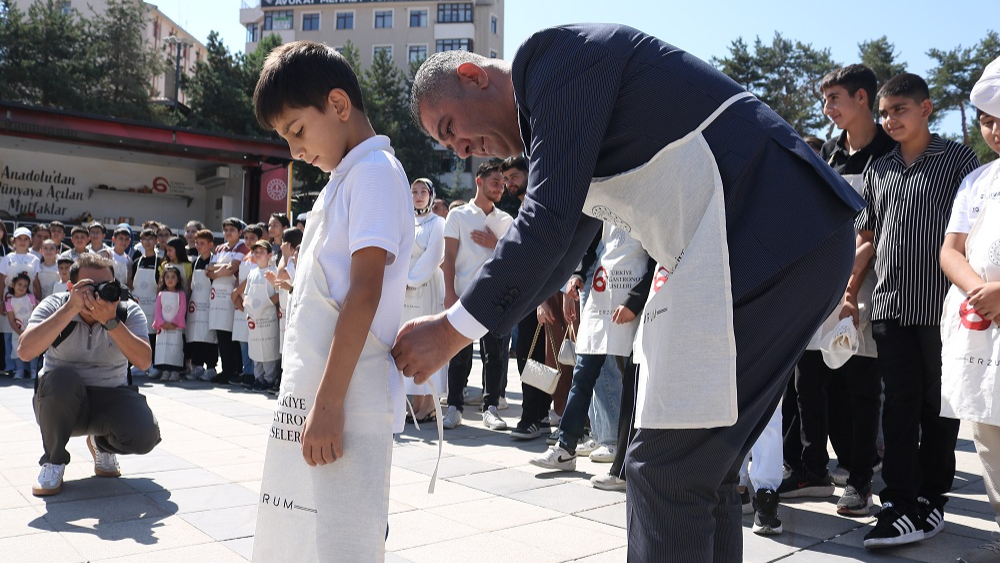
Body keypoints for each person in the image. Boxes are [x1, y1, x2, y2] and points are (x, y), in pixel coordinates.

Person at [394, 24, 864, 562]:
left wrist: (450, 329)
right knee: (698, 475)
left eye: (451, 127)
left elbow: (547, 224)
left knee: (666, 471)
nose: (461, 150)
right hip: (775, 241)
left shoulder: (553, 62)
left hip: (768, 234)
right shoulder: (559, 117)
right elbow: (565, 241)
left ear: (473, 76)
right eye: (448, 145)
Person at [251, 40, 414, 563]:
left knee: (347, 540)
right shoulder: (345, 177)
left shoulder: (373, 173)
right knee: (312, 537)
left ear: (339, 105)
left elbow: (364, 293)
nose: (295, 151)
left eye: (297, 130)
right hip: (329, 392)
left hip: (348, 399)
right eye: (285, 139)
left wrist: (327, 405)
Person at [851, 73, 980, 549]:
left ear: (926, 109)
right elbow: (867, 238)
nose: (889, 120)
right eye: (884, 113)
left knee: (938, 406)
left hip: (941, 306)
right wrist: (848, 291)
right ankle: (898, 501)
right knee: (899, 405)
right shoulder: (879, 169)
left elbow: (972, 234)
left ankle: (931, 499)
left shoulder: (957, 161)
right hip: (889, 305)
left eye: (899, 110)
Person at [780, 64, 895, 517]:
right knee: (808, 378)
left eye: (835, 100)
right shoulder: (827, 153)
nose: (827, 110)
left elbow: (873, 231)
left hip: (868, 284)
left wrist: (849, 291)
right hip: (822, 283)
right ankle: (811, 470)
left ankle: (860, 480)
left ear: (862, 98)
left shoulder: (889, 155)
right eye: (824, 101)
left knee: (860, 385)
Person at [22, 253, 159, 497]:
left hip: (110, 398)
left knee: (145, 435)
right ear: (70, 287)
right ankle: (53, 461)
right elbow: (25, 351)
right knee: (62, 379)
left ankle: (101, 444)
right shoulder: (54, 305)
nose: (97, 293)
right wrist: (70, 309)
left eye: (105, 286)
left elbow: (144, 361)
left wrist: (111, 322)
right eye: (88, 287)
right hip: (61, 402)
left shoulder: (127, 311)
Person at [939, 57, 1000, 563]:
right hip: (984, 332)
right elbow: (950, 249)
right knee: (988, 441)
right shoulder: (977, 180)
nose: (994, 130)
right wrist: (983, 290)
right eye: (986, 119)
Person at [531, 223, 650, 471]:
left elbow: (659, 258)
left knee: (630, 380)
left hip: (630, 299)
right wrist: (577, 275)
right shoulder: (604, 203)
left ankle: (624, 459)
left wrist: (636, 300)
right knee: (582, 374)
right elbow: (589, 244)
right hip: (600, 293)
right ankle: (565, 448)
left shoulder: (648, 199)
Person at [439, 161, 513, 431]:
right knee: (459, 354)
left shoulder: (506, 220)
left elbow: (515, 258)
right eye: (495, 182)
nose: (501, 188)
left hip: (497, 295)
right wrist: (449, 292)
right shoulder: (458, 215)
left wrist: (496, 244)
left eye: (503, 184)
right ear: (479, 181)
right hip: (464, 294)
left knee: (495, 356)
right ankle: (455, 407)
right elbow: (448, 257)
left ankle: (491, 407)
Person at [402, 178, 446, 422]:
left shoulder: (437, 223)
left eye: (423, 192)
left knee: (425, 340)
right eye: (414, 192)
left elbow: (433, 256)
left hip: (425, 285)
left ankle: (428, 403)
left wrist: (411, 279)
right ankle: (415, 401)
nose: (418, 196)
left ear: (431, 195)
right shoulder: (405, 223)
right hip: (404, 289)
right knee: (408, 340)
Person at [208, 218, 247, 385]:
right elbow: (208, 270)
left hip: (232, 295)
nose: (228, 232)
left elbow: (233, 268)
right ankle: (226, 369)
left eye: (232, 229)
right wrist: (220, 271)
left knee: (233, 334)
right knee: (221, 334)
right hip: (218, 298)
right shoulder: (219, 248)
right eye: (226, 230)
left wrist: (217, 270)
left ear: (240, 232)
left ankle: (235, 369)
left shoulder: (242, 246)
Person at [244, 240, 280, 393]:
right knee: (256, 347)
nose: (257, 255)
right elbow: (246, 293)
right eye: (255, 252)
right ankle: (258, 377)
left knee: (268, 347)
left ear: (269, 255)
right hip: (254, 317)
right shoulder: (252, 273)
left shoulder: (274, 272)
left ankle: (269, 378)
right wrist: (248, 306)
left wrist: (265, 305)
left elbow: (278, 294)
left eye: (261, 252)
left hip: (268, 316)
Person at [185, 229, 219, 382]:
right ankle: (197, 366)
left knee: (209, 337)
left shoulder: (214, 262)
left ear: (210, 244)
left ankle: (211, 367)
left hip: (209, 304)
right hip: (195, 305)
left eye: (202, 243)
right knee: (195, 336)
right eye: (197, 243)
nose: (198, 245)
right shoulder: (195, 261)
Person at [232, 224, 263, 387]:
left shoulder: (259, 257)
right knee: (243, 339)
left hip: (252, 302)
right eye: (247, 238)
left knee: (253, 338)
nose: (249, 241)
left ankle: (254, 373)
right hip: (241, 303)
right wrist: (237, 297)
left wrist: (237, 293)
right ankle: (247, 370)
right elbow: (239, 277)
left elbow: (250, 278)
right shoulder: (245, 256)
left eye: (253, 238)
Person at [129, 229, 160, 379]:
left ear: (156, 241)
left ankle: (152, 363)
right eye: (144, 239)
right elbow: (131, 282)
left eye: (150, 239)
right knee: (138, 333)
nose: (147, 242)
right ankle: (138, 363)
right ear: (140, 242)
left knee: (152, 335)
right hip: (139, 303)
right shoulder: (136, 262)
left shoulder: (160, 262)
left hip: (154, 304)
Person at [152, 264, 187, 382]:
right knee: (163, 349)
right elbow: (157, 310)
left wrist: (175, 323)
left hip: (175, 328)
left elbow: (182, 310)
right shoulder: (161, 294)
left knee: (175, 348)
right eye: (168, 277)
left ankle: (175, 371)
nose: (170, 280)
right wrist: (162, 323)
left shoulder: (181, 294)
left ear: (178, 279)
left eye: (173, 277)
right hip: (163, 327)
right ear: (163, 279)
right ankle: (165, 370)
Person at [7, 272, 39, 379]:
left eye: (25, 286)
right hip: (18, 331)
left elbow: (36, 313)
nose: (22, 287)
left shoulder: (31, 298)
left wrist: (32, 328)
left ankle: (33, 370)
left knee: (33, 348)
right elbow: (11, 320)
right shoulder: (9, 302)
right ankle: (20, 370)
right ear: (13, 285)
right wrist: (19, 332)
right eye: (19, 284)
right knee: (17, 349)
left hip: (31, 329)